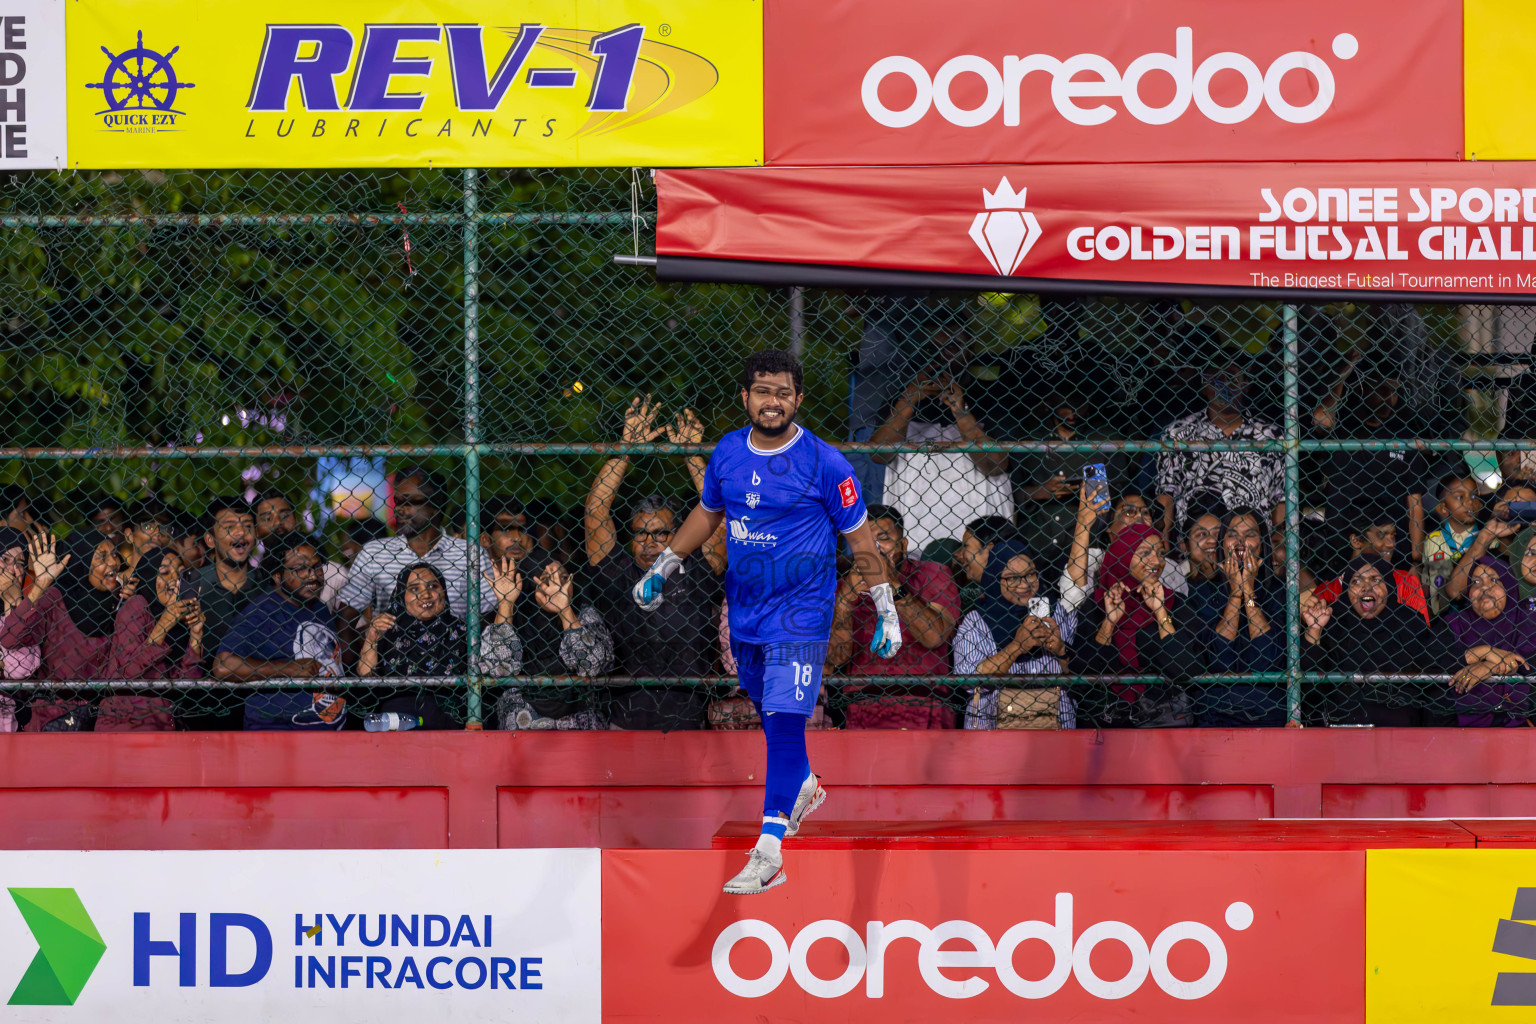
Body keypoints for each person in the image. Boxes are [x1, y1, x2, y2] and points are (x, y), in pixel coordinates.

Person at [630, 349, 900, 895]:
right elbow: (709, 512)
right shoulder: (728, 451)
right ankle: (801, 784)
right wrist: (664, 565)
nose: (771, 401)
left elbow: (860, 538)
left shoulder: (827, 463)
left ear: (798, 400)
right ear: (745, 397)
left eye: (782, 392)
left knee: (781, 726)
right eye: (762, 391)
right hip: (745, 612)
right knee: (767, 710)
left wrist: (886, 607)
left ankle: (770, 849)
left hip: (802, 612)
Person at [337, 466, 497, 661]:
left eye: (411, 502)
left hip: (454, 668)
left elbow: (489, 616)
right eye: (397, 501)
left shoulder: (469, 554)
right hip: (392, 669)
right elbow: (346, 616)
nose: (400, 509)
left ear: (436, 504)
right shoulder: (375, 553)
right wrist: (357, 665)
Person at [828, 505, 960, 728]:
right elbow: (834, 659)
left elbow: (935, 636)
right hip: (863, 704)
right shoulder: (844, 586)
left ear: (904, 545)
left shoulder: (932, 573)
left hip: (925, 700)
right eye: (865, 542)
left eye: (884, 538)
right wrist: (845, 602)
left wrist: (891, 584)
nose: (875, 549)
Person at [870, 352, 1014, 556]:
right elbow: (877, 454)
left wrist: (960, 411)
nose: (940, 367)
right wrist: (908, 400)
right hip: (916, 532)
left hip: (980, 537)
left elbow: (995, 464)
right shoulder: (900, 400)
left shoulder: (989, 397)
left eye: (952, 349)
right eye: (934, 352)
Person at [1300, 554, 1457, 725]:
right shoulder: (1333, 621)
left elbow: (1435, 669)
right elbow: (1311, 686)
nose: (1366, 587)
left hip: (1400, 727)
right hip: (1343, 725)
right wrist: (1314, 629)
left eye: (1375, 580)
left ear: (1389, 585)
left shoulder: (1409, 621)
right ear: (1346, 589)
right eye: (1356, 582)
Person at [1074, 524, 1201, 727]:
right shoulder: (1096, 604)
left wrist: (1160, 613)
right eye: (1145, 553)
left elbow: (1185, 669)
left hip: (1164, 723)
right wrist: (1109, 623)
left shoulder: (1174, 603)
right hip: (1104, 723)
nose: (1157, 561)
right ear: (1122, 557)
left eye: (1160, 553)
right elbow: (1084, 673)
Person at [214, 535, 346, 730]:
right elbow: (223, 666)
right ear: (277, 575)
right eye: (299, 568)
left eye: (317, 566)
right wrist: (287, 669)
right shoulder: (262, 611)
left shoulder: (319, 608)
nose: (312, 575)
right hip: (278, 736)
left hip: (326, 735)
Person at [953, 539, 1077, 728]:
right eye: (1012, 578)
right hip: (993, 726)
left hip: (1054, 724)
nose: (1025, 584)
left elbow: (1077, 677)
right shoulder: (977, 620)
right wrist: (1017, 646)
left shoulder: (1056, 611)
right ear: (995, 578)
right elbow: (967, 680)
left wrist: (1060, 650)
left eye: (1030, 574)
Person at [1155, 358, 1284, 536]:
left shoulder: (1271, 436)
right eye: (1216, 378)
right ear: (1204, 385)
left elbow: (1282, 497)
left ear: (1245, 385)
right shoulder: (1178, 434)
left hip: (1253, 544)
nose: (1224, 385)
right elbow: (1167, 492)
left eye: (1232, 378)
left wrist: (1278, 539)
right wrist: (1163, 534)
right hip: (1198, 542)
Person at [1016, 386, 1131, 573]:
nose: (1072, 414)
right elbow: (1010, 490)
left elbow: (1122, 490)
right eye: (1064, 408)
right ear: (1051, 403)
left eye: (1080, 406)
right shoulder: (1030, 436)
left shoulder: (1104, 436)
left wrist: (1091, 489)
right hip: (1038, 541)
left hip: (1088, 541)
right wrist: (1039, 491)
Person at [492, 555, 615, 730]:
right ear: (530, 586)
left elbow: (592, 666)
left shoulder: (584, 614)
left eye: (564, 578)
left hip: (581, 727)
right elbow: (499, 667)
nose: (556, 585)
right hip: (523, 725)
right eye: (546, 579)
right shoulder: (515, 618)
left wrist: (565, 611)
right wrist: (505, 603)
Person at [360, 557, 525, 682]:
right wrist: (371, 640)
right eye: (414, 588)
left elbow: (498, 667)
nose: (425, 595)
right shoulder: (386, 631)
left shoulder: (463, 632)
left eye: (433, 586)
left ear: (444, 592)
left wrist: (505, 602)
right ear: (401, 596)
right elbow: (365, 689)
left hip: (453, 718)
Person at [1197, 508, 1287, 726]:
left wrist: (1248, 591)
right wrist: (1236, 594)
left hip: (1269, 710)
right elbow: (1220, 661)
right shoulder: (1202, 592)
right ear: (1222, 543)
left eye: (1250, 534)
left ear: (1262, 545)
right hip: (1216, 710)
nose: (1240, 541)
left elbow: (1265, 662)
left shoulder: (1281, 592)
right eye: (1233, 534)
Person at [1059, 485, 1186, 615]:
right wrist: (1083, 523)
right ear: (1108, 526)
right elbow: (1072, 599)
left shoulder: (1169, 567)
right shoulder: (1093, 558)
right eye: (1128, 512)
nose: (1138, 518)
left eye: (1145, 512)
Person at [1445, 558, 1535, 726]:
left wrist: (1491, 666)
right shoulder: (1456, 623)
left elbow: (1532, 661)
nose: (1484, 587)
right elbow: (1428, 659)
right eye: (1476, 582)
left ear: (1508, 585)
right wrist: (1485, 652)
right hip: (1460, 734)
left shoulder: (1529, 620)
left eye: (1494, 580)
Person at [1311, 505, 1431, 624]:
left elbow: (1421, 634)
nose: (1391, 544)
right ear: (1356, 540)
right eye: (1381, 535)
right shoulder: (1327, 591)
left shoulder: (1405, 581)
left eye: (1393, 535)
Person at [112, 547, 206, 681]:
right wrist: (164, 624)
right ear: (149, 577)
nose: (175, 578)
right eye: (165, 572)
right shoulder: (136, 605)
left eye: (180, 572)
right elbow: (127, 673)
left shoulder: (180, 617)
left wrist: (196, 635)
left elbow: (189, 681)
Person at [1442, 480, 1536, 604]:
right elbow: (1455, 592)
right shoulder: (1485, 558)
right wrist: (1486, 535)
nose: (1521, 513)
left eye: (1529, 507)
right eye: (1515, 506)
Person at [196, 497, 261, 661]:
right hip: (201, 682)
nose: (241, 532)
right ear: (210, 539)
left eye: (247, 526)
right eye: (229, 527)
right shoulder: (191, 583)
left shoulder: (268, 584)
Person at [1420, 473, 1483, 615]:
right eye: (1460, 497)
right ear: (1443, 508)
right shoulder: (1433, 540)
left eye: (1474, 496)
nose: (1469, 502)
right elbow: (1427, 581)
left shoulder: (1487, 539)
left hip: (1478, 610)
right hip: (1442, 614)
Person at [0, 529, 38, 682]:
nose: (12, 569)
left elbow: (18, 671)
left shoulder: (30, 611)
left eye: (20, 564)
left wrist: (13, 602)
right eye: (5, 559)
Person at [480, 495, 537, 565]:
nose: (517, 538)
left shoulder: (541, 569)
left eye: (522, 530)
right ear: (485, 539)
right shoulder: (474, 573)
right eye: (506, 530)